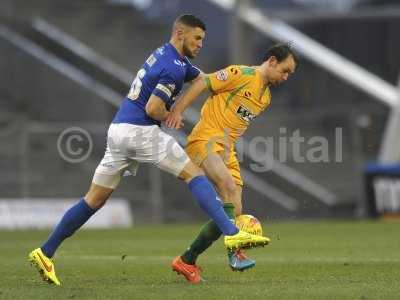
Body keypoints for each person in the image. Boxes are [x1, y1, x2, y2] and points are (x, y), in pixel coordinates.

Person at [28, 14, 269, 286]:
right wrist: (172, 114)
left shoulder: (168, 57)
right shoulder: (173, 67)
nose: (201, 44)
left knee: (93, 200)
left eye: (203, 39)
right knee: (195, 175)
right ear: (180, 33)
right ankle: (231, 231)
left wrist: (244, 79)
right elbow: (153, 108)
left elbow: (202, 78)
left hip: (118, 131)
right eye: (197, 38)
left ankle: (45, 252)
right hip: (139, 131)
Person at [166, 43, 299, 283]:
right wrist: (177, 110)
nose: (286, 77)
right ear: (271, 61)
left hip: (227, 151)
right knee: (227, 187)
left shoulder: (265, 97)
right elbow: (202, 82)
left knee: (233, 211)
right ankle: (235, 252)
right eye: (284, 70)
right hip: (204, 140)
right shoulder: (241, 74)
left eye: (290, 74)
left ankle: (187, 260)